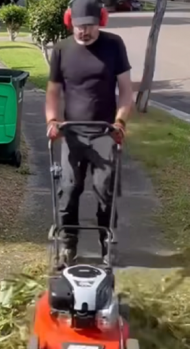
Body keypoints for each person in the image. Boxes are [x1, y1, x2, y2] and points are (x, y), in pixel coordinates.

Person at [45, 0, 134, 265]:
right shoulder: (61, 49)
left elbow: (127, 92)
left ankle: (106, 246)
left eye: (91, 26)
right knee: (68, 192)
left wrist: (120, 122)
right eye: (80, 26)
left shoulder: (114, 45)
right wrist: (52, 120)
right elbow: (53, 92)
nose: (85, 31)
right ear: (70, 21)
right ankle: (68, 247)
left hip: (105, 133)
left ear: (101, 21)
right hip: (72, 134)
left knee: (104, 192)